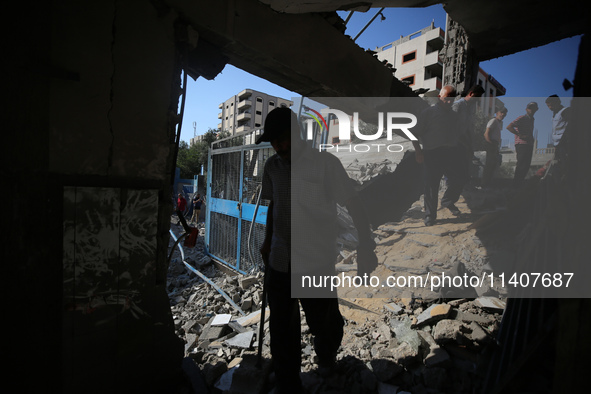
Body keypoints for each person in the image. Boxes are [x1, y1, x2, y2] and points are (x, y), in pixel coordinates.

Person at [257, 107, 377, 393]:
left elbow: (354, 204)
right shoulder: (272, 168)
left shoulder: (326, 165)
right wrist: (266, 241)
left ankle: (326, 359)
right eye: (273, 141)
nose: (278, 146)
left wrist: (366, 245)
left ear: (297, 134)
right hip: (280, 260)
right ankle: (289, 382)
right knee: (282, 330)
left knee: (325, 323)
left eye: (282, 138)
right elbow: (275, 206)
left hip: (316, 262)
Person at [412, 85, 466, 226]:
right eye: (446, 99)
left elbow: (459, 135)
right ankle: (430, 216)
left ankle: (448, 200)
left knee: (459, 179)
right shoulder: (428, 113)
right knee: (431, 186)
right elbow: (413, 134)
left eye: (451, 99)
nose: (448, 102)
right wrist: (418, 151)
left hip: (451, 153)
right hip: (432, 153)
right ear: (439, 97)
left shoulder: (454, 116)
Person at [452, 85, 485, 184]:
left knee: (464, 166)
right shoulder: (458, 105)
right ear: (471, 94)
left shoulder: (470, 108)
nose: (478, 99)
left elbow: (468, 127)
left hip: (464, 141)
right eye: (477, 96)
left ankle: (462, 187)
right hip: (454, 140)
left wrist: (469, 143)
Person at [507, 102, 538, 186]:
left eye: (533, 108)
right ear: (526, 109)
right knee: (521, 164)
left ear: (536, 109)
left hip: (529, 144)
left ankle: (519, 183)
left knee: (526, 165)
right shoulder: (522, 118)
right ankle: (515, 184)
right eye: (530, 108)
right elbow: (509, 126)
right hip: (521, 144)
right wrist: (519, 135)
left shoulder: (532, 119)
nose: (531, 110)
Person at [482, 107, 508, 187]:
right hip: (491, 144)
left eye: (504, 113)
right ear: (497, 113)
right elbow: (486, 133)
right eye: (501, 112)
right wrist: (490, 144)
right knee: (489, 165)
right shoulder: (493, 121)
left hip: (495, 144)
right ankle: (484, 184)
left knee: (493, 165)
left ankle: (488, 184)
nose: (502, 114)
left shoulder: (498, 123)